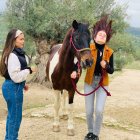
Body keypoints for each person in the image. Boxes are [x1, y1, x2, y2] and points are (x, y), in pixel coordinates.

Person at [71, 16, 114, 140]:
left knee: (99, 110)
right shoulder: (88, 49)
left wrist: (106, 66)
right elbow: (77, 63)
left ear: (106, 38)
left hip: (102, 84)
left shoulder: (109, 52)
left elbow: (111, 71)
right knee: (89, 111)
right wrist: (75, 71)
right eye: (99, 34)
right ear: (94, 36)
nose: (102, 36)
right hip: (89, 83)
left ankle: (95, 134)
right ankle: (90, 132)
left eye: (104, 35)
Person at [0, 29, 35, 140]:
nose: (23, 41)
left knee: (12, 117)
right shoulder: (13, 56)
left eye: (23, 39)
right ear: (13, 40)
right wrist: (29, 70)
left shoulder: (15, 53)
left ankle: (9, 138)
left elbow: (13, 74)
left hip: (12, 87)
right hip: (12, 88)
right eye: (21, 39)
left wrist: (23, 84)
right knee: (15, 118)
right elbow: (15, 77)